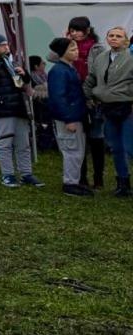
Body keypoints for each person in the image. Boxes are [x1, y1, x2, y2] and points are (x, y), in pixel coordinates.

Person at [0, 31, 39, 189]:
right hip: (3, 106)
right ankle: (8, 174)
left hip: (19, 105)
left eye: (7, 44)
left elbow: (25, 82)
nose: (6, 47)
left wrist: (24, 74)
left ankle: (26, 173)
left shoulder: (11, 60)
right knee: (5, 143)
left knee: (23, 142)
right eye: (2, 45)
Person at [83, 25, 133, 198]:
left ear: (125, 40)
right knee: (115, 147)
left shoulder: (130, 57)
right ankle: (123, 182)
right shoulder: (101, 58)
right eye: (111, 35)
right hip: (106, 106)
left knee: (129, 146)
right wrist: (88, 96)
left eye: (118, 36)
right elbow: (91, 79)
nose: (114, 38)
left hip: (127, 106)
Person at [47, 37, 92, 197]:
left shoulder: (69, 69)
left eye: (76, 49)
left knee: (77, 150)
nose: (76, 52)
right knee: (71, 150)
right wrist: (68, 118)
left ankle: (75, 180)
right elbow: (58, 97)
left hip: (76, 115)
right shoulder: (59, 71)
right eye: (72, 50)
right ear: (62, 53)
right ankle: (70, 183)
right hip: (68, 118)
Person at [67, 16, 107, 188]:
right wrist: (65, 40)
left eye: (77, 30)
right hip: (75, 97)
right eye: (72, 30)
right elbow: (51, 56)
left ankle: (98, 177)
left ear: (87, 31)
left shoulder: (97, 48)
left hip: (92, 98)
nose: (74, 33)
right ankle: (81, 177)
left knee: (97, 138)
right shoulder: (68, 46)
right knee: (79, 139)